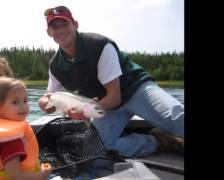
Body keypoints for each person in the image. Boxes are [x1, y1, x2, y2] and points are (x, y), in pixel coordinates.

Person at [38, 6, 184, 158]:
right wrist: (44, 102)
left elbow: (114, 96)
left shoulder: (99, 45)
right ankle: (160, 141)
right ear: (49, 32)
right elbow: (50, 95)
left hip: (136, 90)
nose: (60, 30)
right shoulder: (55, 66)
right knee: (93, 150)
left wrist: (86, 111)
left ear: (75, 24)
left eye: (65, 24)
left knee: (178, 118)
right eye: (54, 26)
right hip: (108, 106)